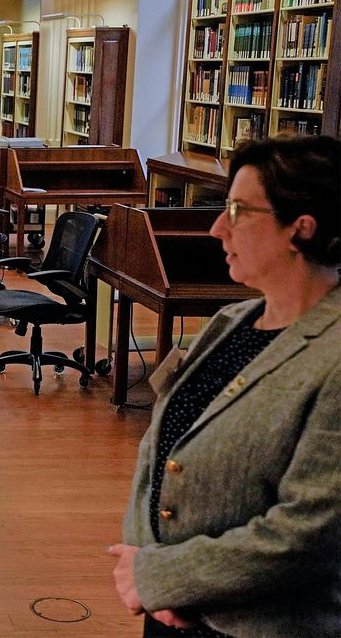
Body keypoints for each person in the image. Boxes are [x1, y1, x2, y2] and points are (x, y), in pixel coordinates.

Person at [109, 135, 341, 638]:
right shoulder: (232, 321)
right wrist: (149, 569)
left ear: (300, 230)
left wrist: (165, 577)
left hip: (256, 626)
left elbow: (308, 532)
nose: (217, 227)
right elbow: (159, 447)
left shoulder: (335, 357)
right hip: (170, 609)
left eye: (236, 210)